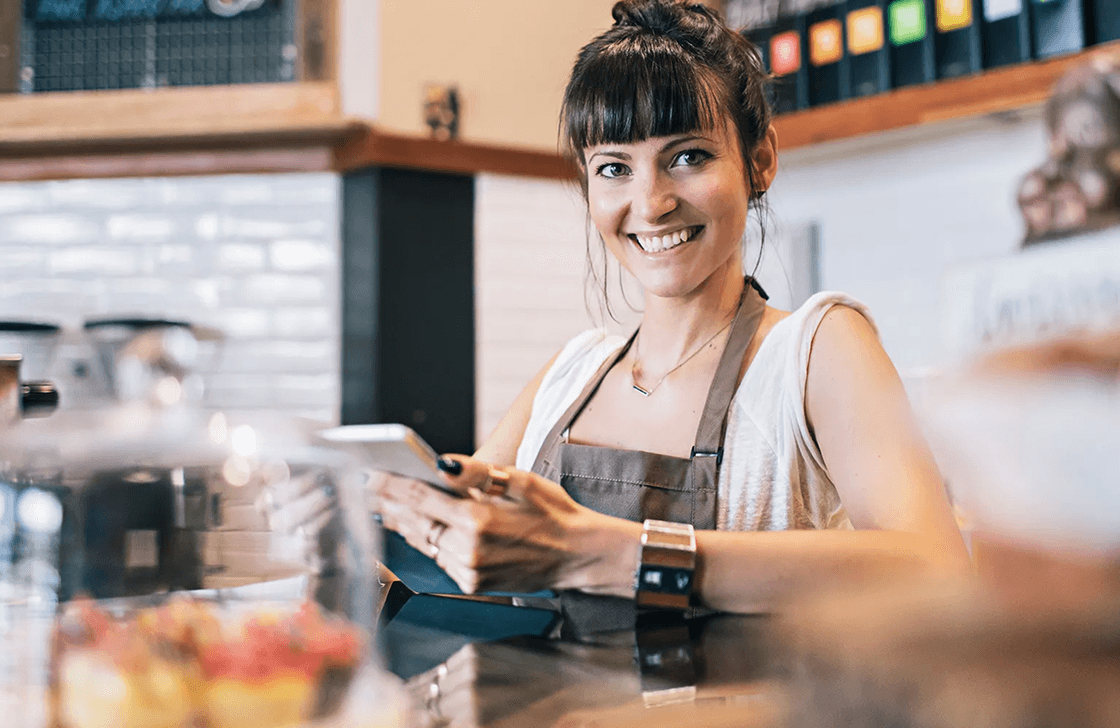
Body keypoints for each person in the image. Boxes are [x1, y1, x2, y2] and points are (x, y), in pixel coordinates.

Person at [372, 0, 969, 617]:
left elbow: (937, 570)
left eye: (688, 156)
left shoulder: (817, 350)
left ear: (759, 160)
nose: (650, 203)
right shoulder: (573, 371)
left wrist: (603, 553)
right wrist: (355, 524)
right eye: (613, 168)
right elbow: (457, 552)